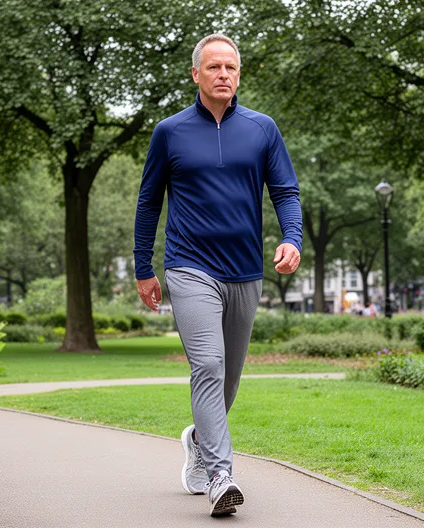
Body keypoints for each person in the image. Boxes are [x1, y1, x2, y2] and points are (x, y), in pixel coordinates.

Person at [133, 33, 302, 517]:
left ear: (239, 74)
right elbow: (149, 201)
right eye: (214, 68)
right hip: (189, 267)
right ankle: (220, 475)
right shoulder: (170, 131)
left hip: (246, 271)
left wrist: (292, 238)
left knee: (227, 378)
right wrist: (144, 266)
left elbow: (286, 192)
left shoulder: (263, 129)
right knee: (207, 365)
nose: (223, 74)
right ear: (196, 75)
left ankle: (197, 439)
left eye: (231, 67)